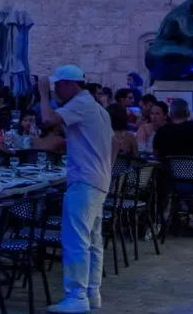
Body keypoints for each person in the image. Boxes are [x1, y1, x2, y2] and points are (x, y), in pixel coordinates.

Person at [38, 66, 112, 314]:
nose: (56, 91)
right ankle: (92, 292)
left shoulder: (81, 103)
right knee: (92, 240)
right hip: (98, 179)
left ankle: (77, 295)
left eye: (58, 86)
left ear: (71, 85)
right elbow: (114, 144)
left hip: (84, 180)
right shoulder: (97, 108)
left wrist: (42, 94)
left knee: (76, 240)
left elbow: (49, 120)